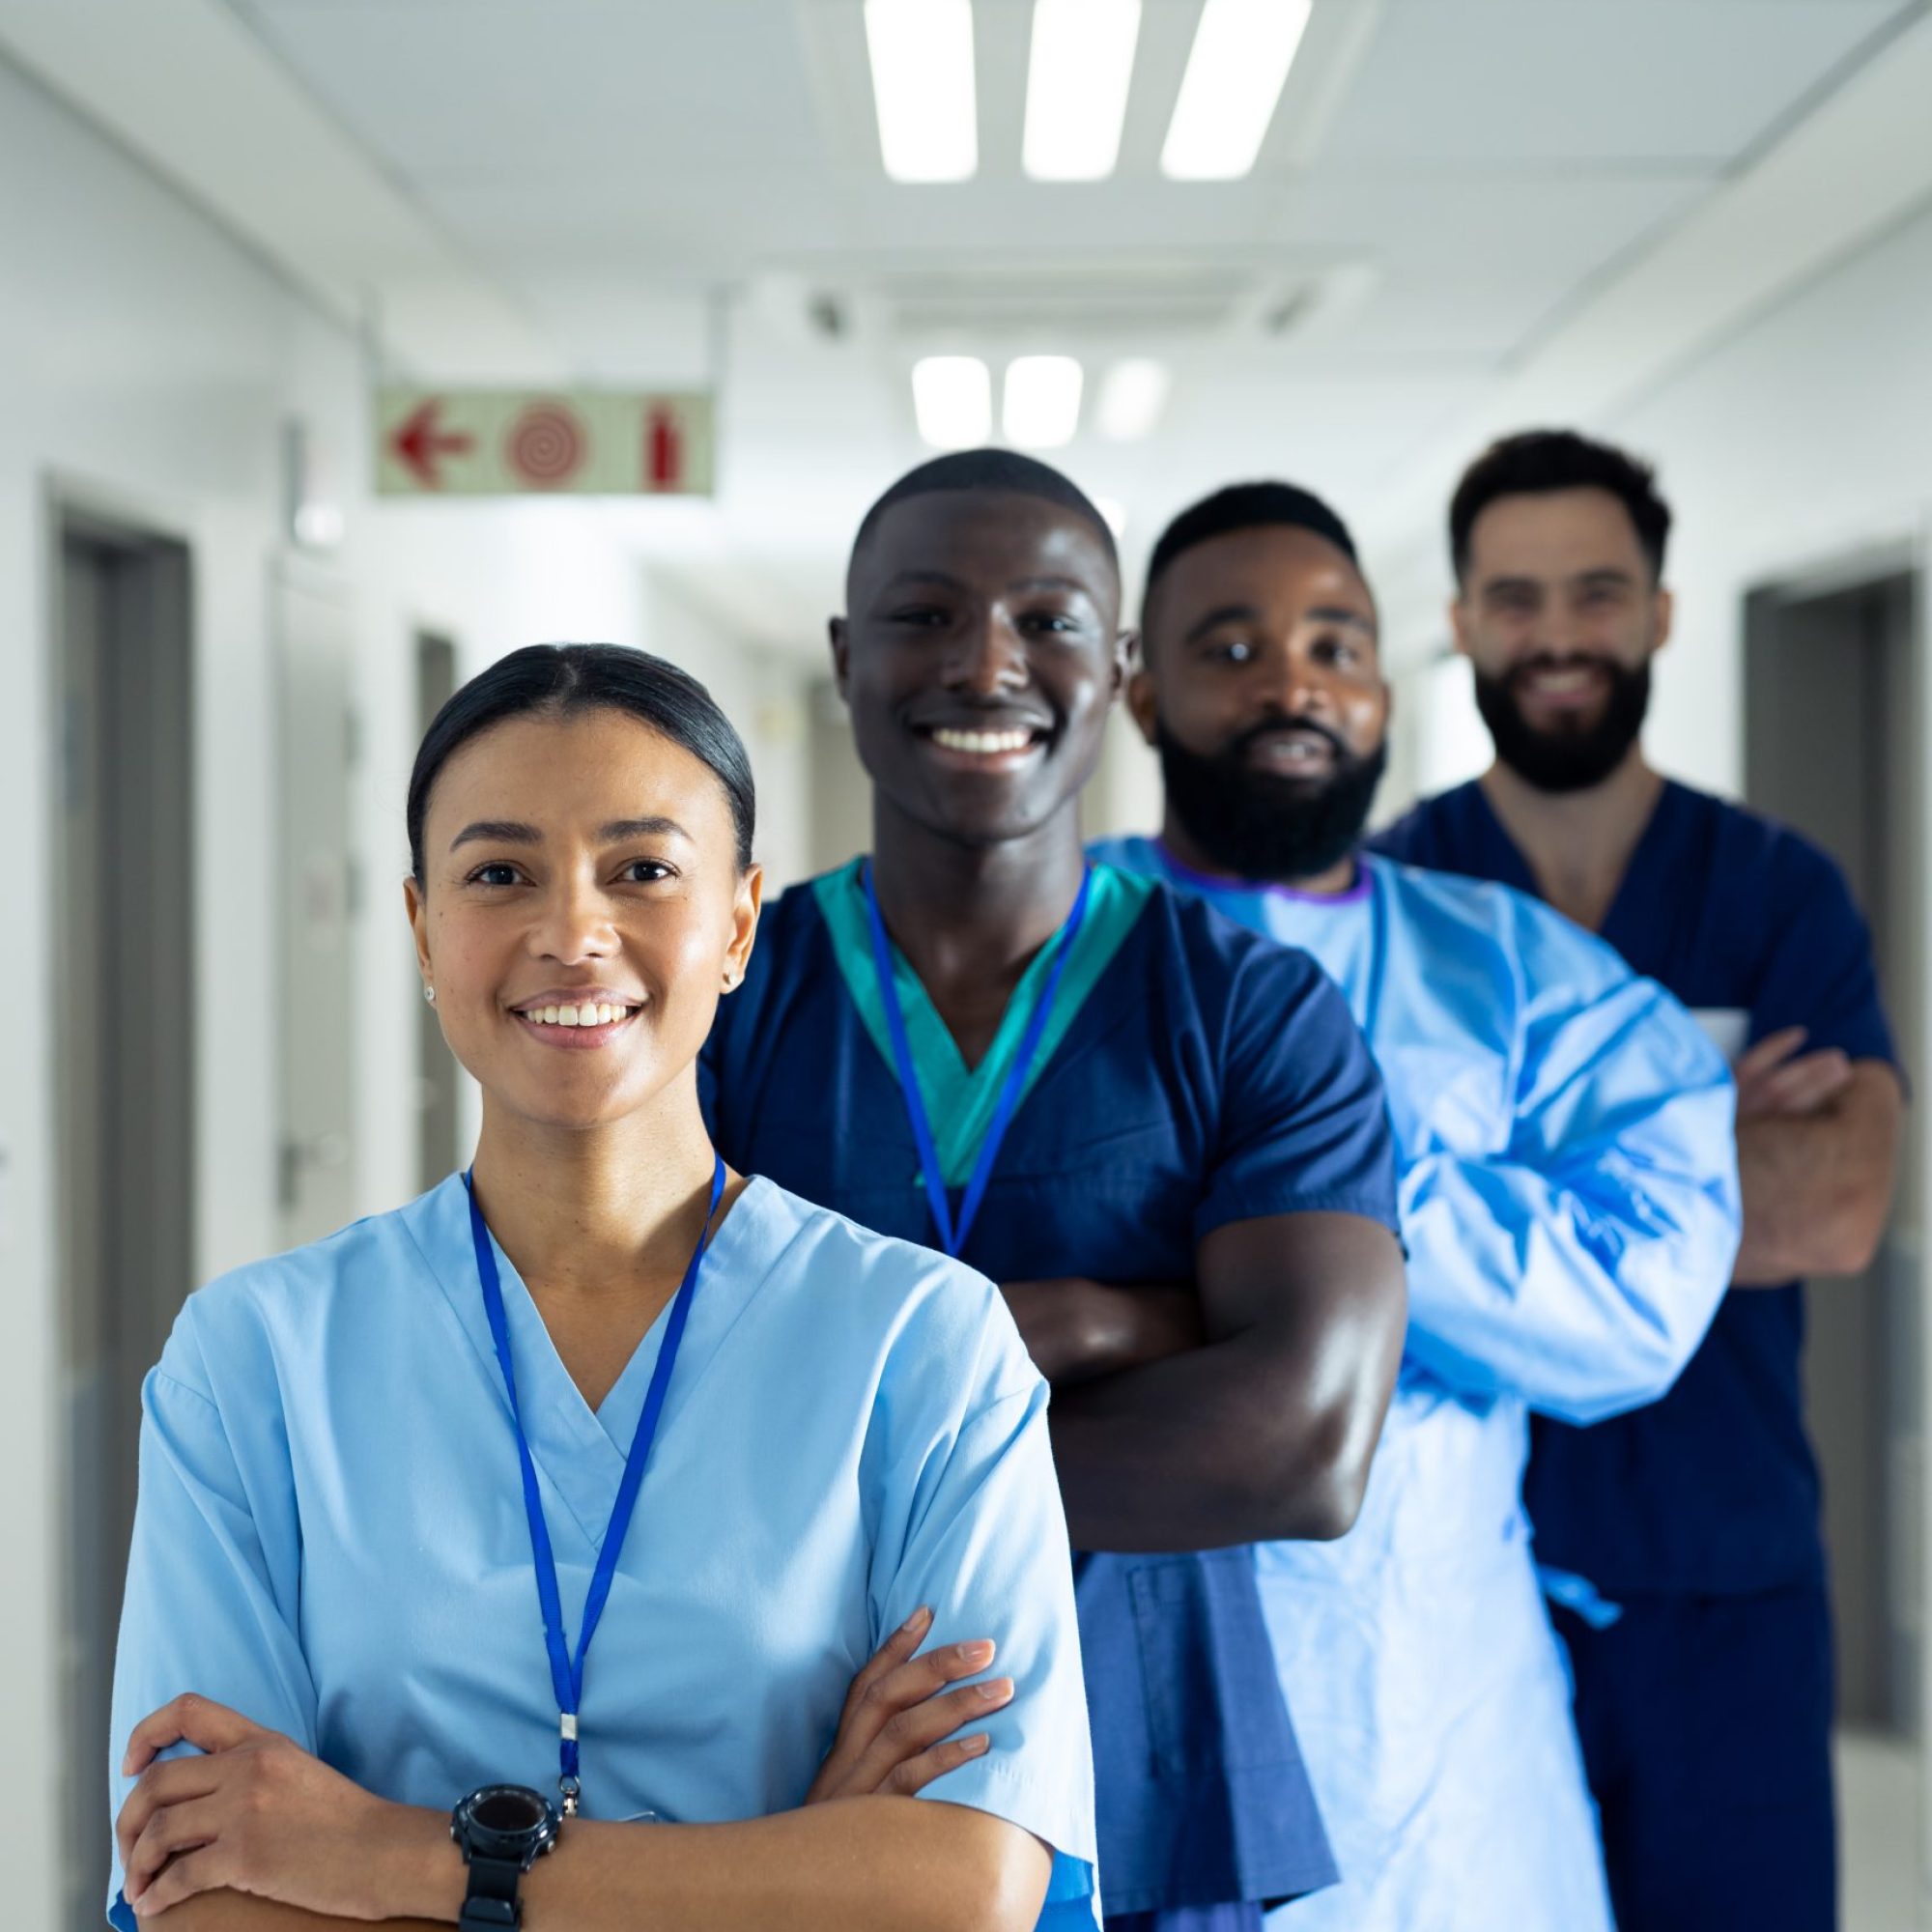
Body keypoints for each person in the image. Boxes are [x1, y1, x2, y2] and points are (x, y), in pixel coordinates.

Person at [105, 644, 1099, 1932]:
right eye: (499, 874)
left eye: (642, 871)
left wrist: (391, 1857)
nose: (573, 935)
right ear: (421, 926)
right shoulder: (254, 1361)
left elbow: (966, 1890)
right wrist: (793, 1862)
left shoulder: (923, 1344)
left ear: (738, 924)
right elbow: (209, 1898)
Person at [700, 450, 1409, 1932]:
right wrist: (1114, 1323)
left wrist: (864, 1415)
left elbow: (1308, 1446)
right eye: (927, 614)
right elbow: (654, 1400)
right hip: (787, 1765)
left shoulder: (1247, 1011)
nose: (988, 664)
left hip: (1149, 1764)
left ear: (1120, 668)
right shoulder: (726, 997)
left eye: (1048, 618)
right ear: (845, 656)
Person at [1094, 480, 1742, 1930]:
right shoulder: (1049, 951)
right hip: (1105, 1687)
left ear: (1384, 690)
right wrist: (1421, 1250)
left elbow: (1636, 1310)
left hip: (1436, 1734)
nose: (1293, 686)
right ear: (1139, 692)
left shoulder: (1523, 977)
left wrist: (1291, 1187)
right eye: (1233, 647)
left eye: (1334, 644)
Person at [1378, 429, 1905, 1932]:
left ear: (1662, 612)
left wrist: (1486, 1181)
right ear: (1464, 622)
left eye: (1598, 594)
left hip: (1719, 1589)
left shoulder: (1772, 889)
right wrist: (1689, 1140)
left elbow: (1843, 1201)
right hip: (1459, 1581)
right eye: (1518, 597)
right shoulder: (1398, 893)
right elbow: (1334, 1225)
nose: (1557, 637)